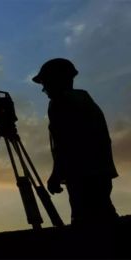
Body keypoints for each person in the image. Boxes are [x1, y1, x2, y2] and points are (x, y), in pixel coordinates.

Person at [32, 58, 119, 226]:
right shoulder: (84, 98)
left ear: (56, 80)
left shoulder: (59, 104)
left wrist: (56, 174)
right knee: (105, 214)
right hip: (100, 171)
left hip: (82, 174)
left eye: (45, 83)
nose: (43, 89)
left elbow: (65, 143)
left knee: (85, 222)